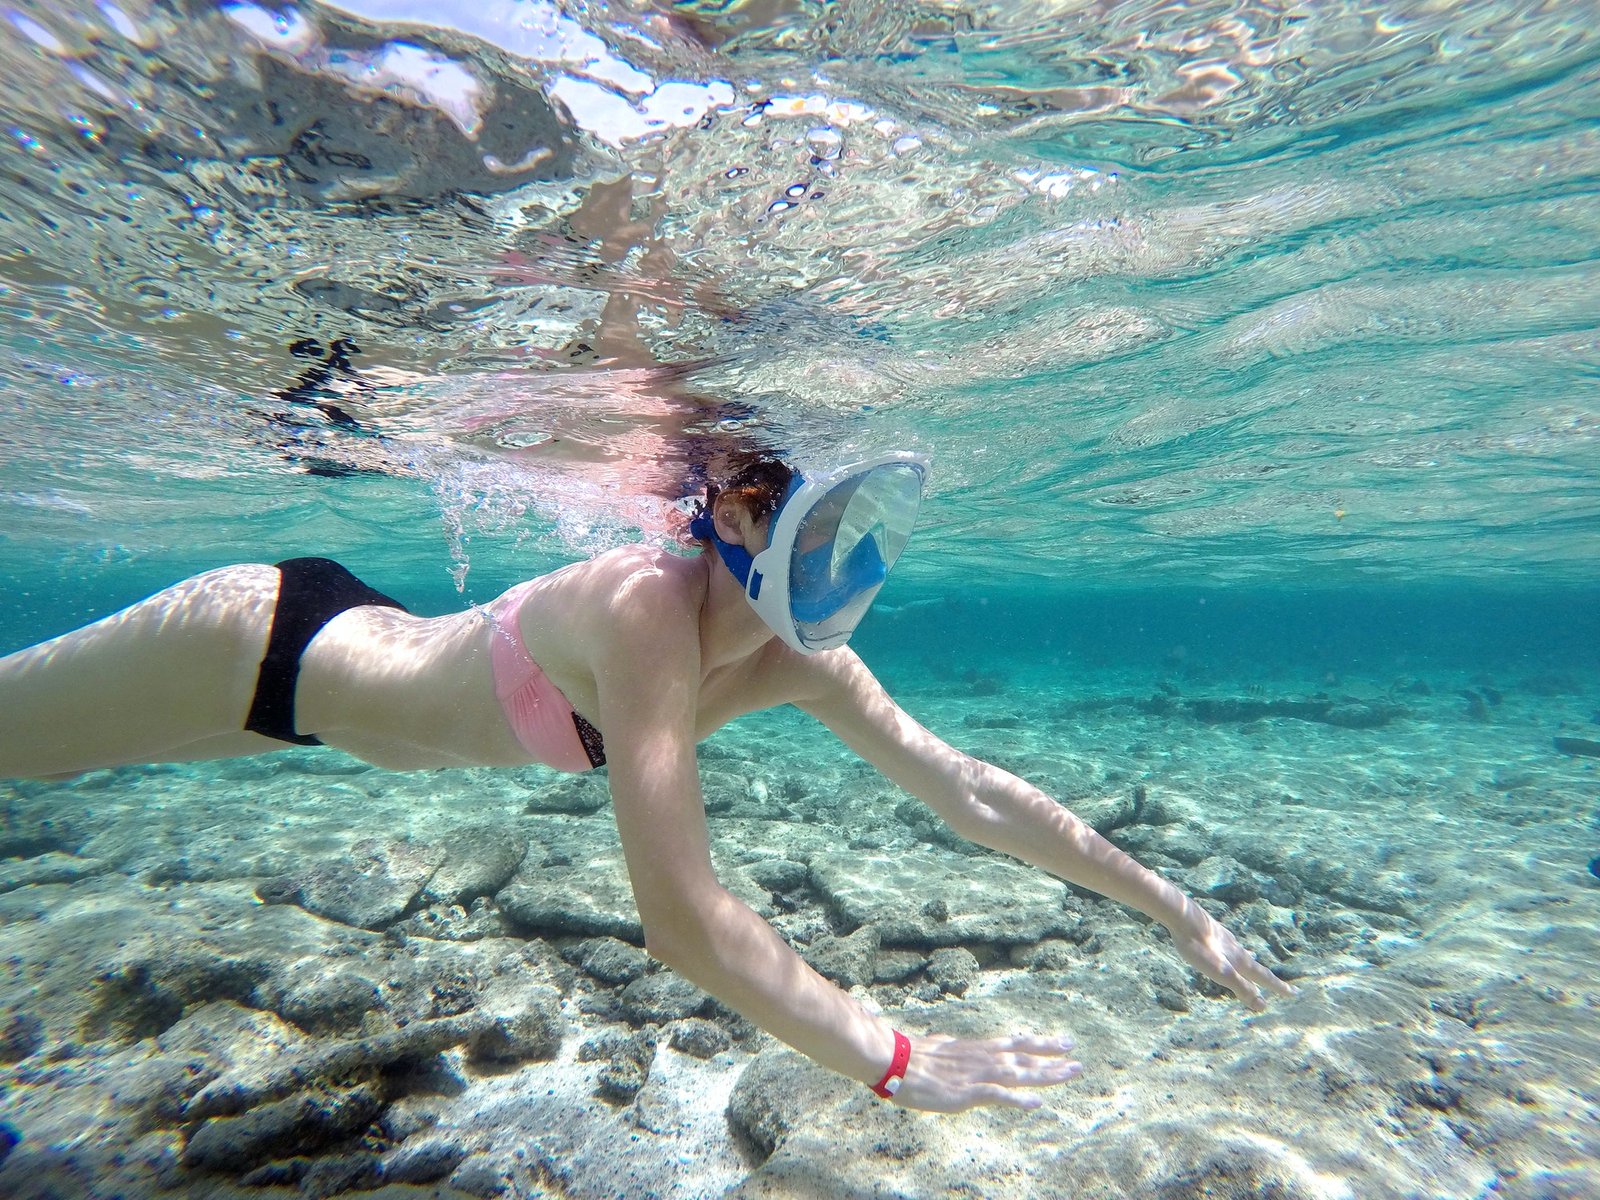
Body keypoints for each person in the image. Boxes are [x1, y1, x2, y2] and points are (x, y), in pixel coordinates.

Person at [0, 449, 1294, 1112]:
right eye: (821, 526)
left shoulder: (802, 663)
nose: (848, 567)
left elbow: (974, 793)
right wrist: (891, 1054)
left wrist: (1176, 910)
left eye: (864, 537)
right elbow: (680, 922)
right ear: (733, 520)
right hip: (252, 644)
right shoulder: (640, 609)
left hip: (312, 716)